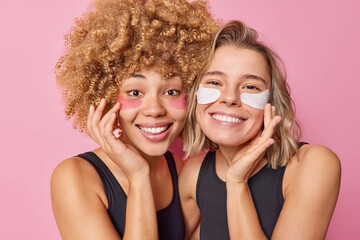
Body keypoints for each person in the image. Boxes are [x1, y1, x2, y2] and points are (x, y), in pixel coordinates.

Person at [50, 0, 218, 239]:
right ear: (104, 97)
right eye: (135, 92)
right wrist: (138, 176)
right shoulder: (75, 177)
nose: (154, 109)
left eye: (171, 91)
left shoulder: (180, 171)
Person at [179, 20, 341, 240]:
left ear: (272, 103)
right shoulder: (193, 174)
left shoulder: (313, 164)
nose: (230, 98)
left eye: (250, 86)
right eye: (215, 82)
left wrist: (236, 183)